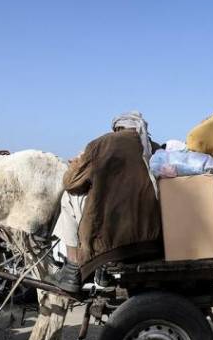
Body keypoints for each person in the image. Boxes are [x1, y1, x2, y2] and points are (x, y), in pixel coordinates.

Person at [49, 112, 162, 293]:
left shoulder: (103, 144)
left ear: (117, 129)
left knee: (69, 195)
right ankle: (99, 270)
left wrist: (77, 162)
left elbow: (70, 182)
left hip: (114, 240)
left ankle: (72, 267)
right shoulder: (154, 147)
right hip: (155, 239)